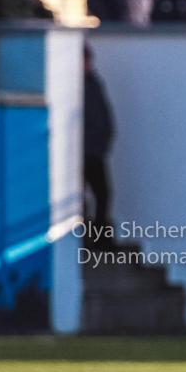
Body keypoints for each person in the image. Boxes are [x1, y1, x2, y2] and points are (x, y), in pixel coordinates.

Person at [82, 44, 115, 241]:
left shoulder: (94, 83)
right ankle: (91, 237)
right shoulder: (79, 86)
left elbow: (103, 114)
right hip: (84, 151)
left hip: (95, 151)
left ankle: (100, 237)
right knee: (84, 197)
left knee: (103, 194)